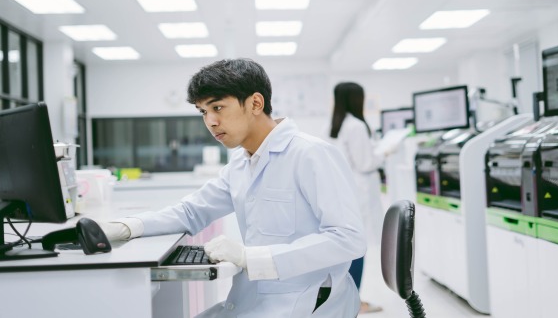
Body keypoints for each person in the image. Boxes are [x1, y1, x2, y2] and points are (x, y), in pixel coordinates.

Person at [101, 58, 366, 318]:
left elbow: (348, 238)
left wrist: (250, 257)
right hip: (255, 297)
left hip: (307, 301)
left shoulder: (310, 154)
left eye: (218, 107)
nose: (210, 122)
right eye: (203, 112)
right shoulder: (241, 163)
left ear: (255, 103)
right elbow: (191, 212)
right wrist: (128, 226)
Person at [328, 82, 384, 314]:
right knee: (358, 248)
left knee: (346, 248)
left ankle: (344, 299)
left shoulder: (334, 126)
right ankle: (355, 301)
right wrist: (384, 153)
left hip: (340, 192)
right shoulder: (356, 126)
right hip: (358, 193)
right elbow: (365, 163)